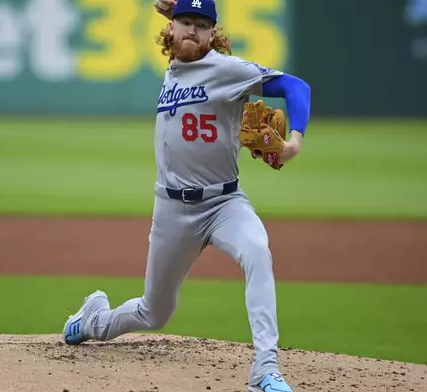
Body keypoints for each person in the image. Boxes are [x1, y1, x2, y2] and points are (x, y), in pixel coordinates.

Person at [63, 0, 311, 391]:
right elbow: (185, 46)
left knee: (258, 252)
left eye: (202, 25)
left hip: (225, 203)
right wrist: (178, 18)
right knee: (154, 313)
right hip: (172, 210)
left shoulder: (230, 71)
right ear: (171, 29)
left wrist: (294, 141)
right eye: (186, 23)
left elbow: (297, 86)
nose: (193, 30)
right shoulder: (175, 67)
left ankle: (265, 368)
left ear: (214, 34)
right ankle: (95, 319)